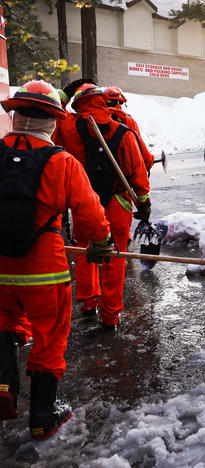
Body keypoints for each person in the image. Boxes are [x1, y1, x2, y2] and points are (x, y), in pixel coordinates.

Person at [0, 80, 112, 439]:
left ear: (16, 115)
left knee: (2, 322)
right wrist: (102, 242)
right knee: (49, 337)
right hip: (44, 271)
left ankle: (3, 385)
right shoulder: (62, 162)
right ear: (53, 121)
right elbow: (90, 214)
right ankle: (42, 417)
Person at [54, 83, 151, 331]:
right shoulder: (125, 131)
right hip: (117, 202)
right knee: (115, 257)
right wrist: (144, 203)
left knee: (84, 250)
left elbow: (52, 110)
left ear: (77, 105)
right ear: (104, 102)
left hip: (83, 203)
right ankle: (110, 315)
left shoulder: (67, 127)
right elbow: (139, 173)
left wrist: (66, 92)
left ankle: (88, 302)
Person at [104, 86, 155, 172]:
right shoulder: (127, 121)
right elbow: (138, 145)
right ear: (120, 103)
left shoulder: (92, 119)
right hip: (122, 171)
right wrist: (148, 161)